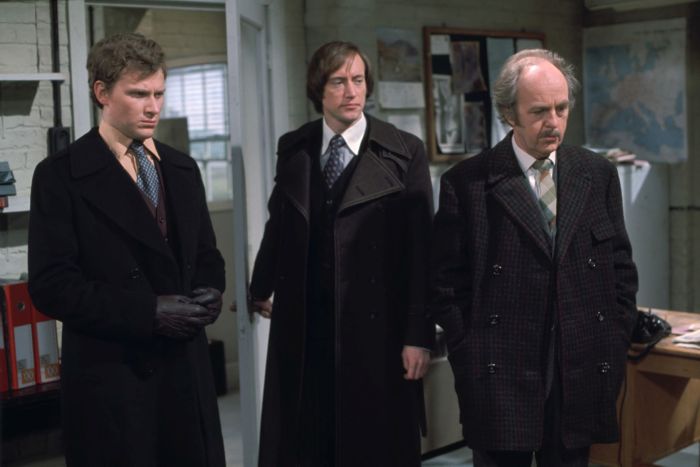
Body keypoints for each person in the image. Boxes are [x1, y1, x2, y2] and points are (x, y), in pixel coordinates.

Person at [430, 49, 638, 467]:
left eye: (562, 108)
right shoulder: (467, 183)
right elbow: (445, 285)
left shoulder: (596, 174)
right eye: (540, 111)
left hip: (578, 365)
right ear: (510, 114)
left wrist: (614, 339)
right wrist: (468, 349)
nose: (554, 122)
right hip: (500, 367)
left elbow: (620, 269)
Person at [28, 32, 226, 467]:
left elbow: (206, 255)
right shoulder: (60, 176)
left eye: (159, 93)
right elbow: (51, 286)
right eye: (138, 94)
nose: (153, 107)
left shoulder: (182, 167)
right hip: (114, 380)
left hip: (185, 373)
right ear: (102, 93)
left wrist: (212, 289)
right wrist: (147, 312)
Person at [249, 40, 434, 467]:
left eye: (358, 80)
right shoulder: (294, 146)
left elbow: (422, 253)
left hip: (378, 331)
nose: (351, 92)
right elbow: (280, 223)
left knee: (372, 447)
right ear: (318, 90)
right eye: (338, 82)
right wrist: (260, 287)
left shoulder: (404, 150)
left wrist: (418, 336)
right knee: (308, 444)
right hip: (307, 327)